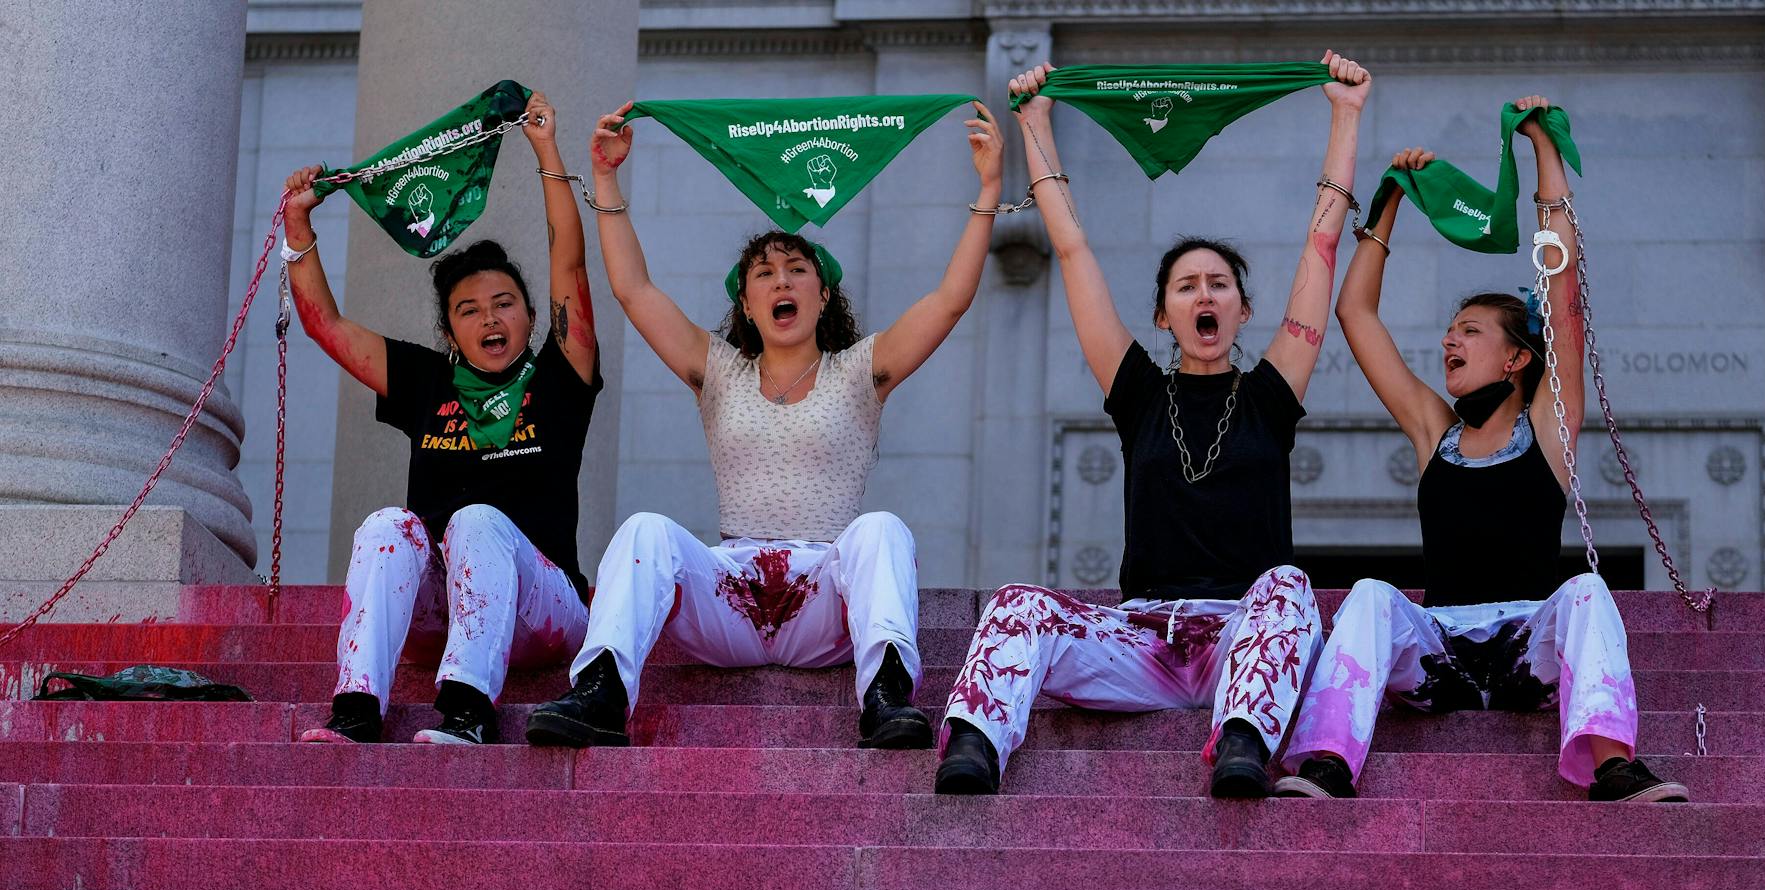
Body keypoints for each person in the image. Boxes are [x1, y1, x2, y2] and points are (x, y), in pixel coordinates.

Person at [934, 53, 1373, 797]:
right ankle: (974, 746)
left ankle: (1242, 743)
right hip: (1140, 641)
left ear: (1242, 310)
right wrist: (1036, 123)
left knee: (1291, 587)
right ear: (1165, 313)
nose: (1205, 295)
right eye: (1187, 285)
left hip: (1244, 636)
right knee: (1018, 603)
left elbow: (1320, 250)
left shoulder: (1270, 393)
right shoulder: (1137, 389)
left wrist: (1345, 114)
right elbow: (1071, 251)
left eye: (1220, 284)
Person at [521, 99, 1006, 750]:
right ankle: (602, 694)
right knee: (645, 531)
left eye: (797, 270)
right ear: (747, 305)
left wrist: (989, 189)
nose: (783, 281)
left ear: (823, 293)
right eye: (765, 274)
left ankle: (886, 697)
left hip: (823, 601)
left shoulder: (861, 369)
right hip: (731, 595)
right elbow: (635, 292)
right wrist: (605, 181)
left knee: (882, 530)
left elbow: (948, 302)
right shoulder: (718, 370)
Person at [1276, 98, 1688, 803]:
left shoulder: (1551, 421)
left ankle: (1612, 764)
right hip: (1438, 654)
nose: (1449, 342)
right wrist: (1387, 207)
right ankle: (1326, 765)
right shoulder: (1434, 428)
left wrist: (1542, 148)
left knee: (1588, 590)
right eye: (1450, 330)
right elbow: (1355, 315)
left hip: (1528, 650)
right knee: (1372, 595)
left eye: (1469, 331)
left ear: (1517, 359)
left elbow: (1562, 290)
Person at [289, 92, 602, 746]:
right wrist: (298, 229)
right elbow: (327, 327)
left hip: (546, 611)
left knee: (478, 521)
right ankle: (356, 710)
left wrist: (547, 150)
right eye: (469, 309)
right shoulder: (428, 381)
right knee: (386, 526)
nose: (489, 318)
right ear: (449, 331)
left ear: (531, 317)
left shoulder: (558, 377)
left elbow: (569, 263)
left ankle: (469, 714)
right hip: (447, 607)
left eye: (505, 303)